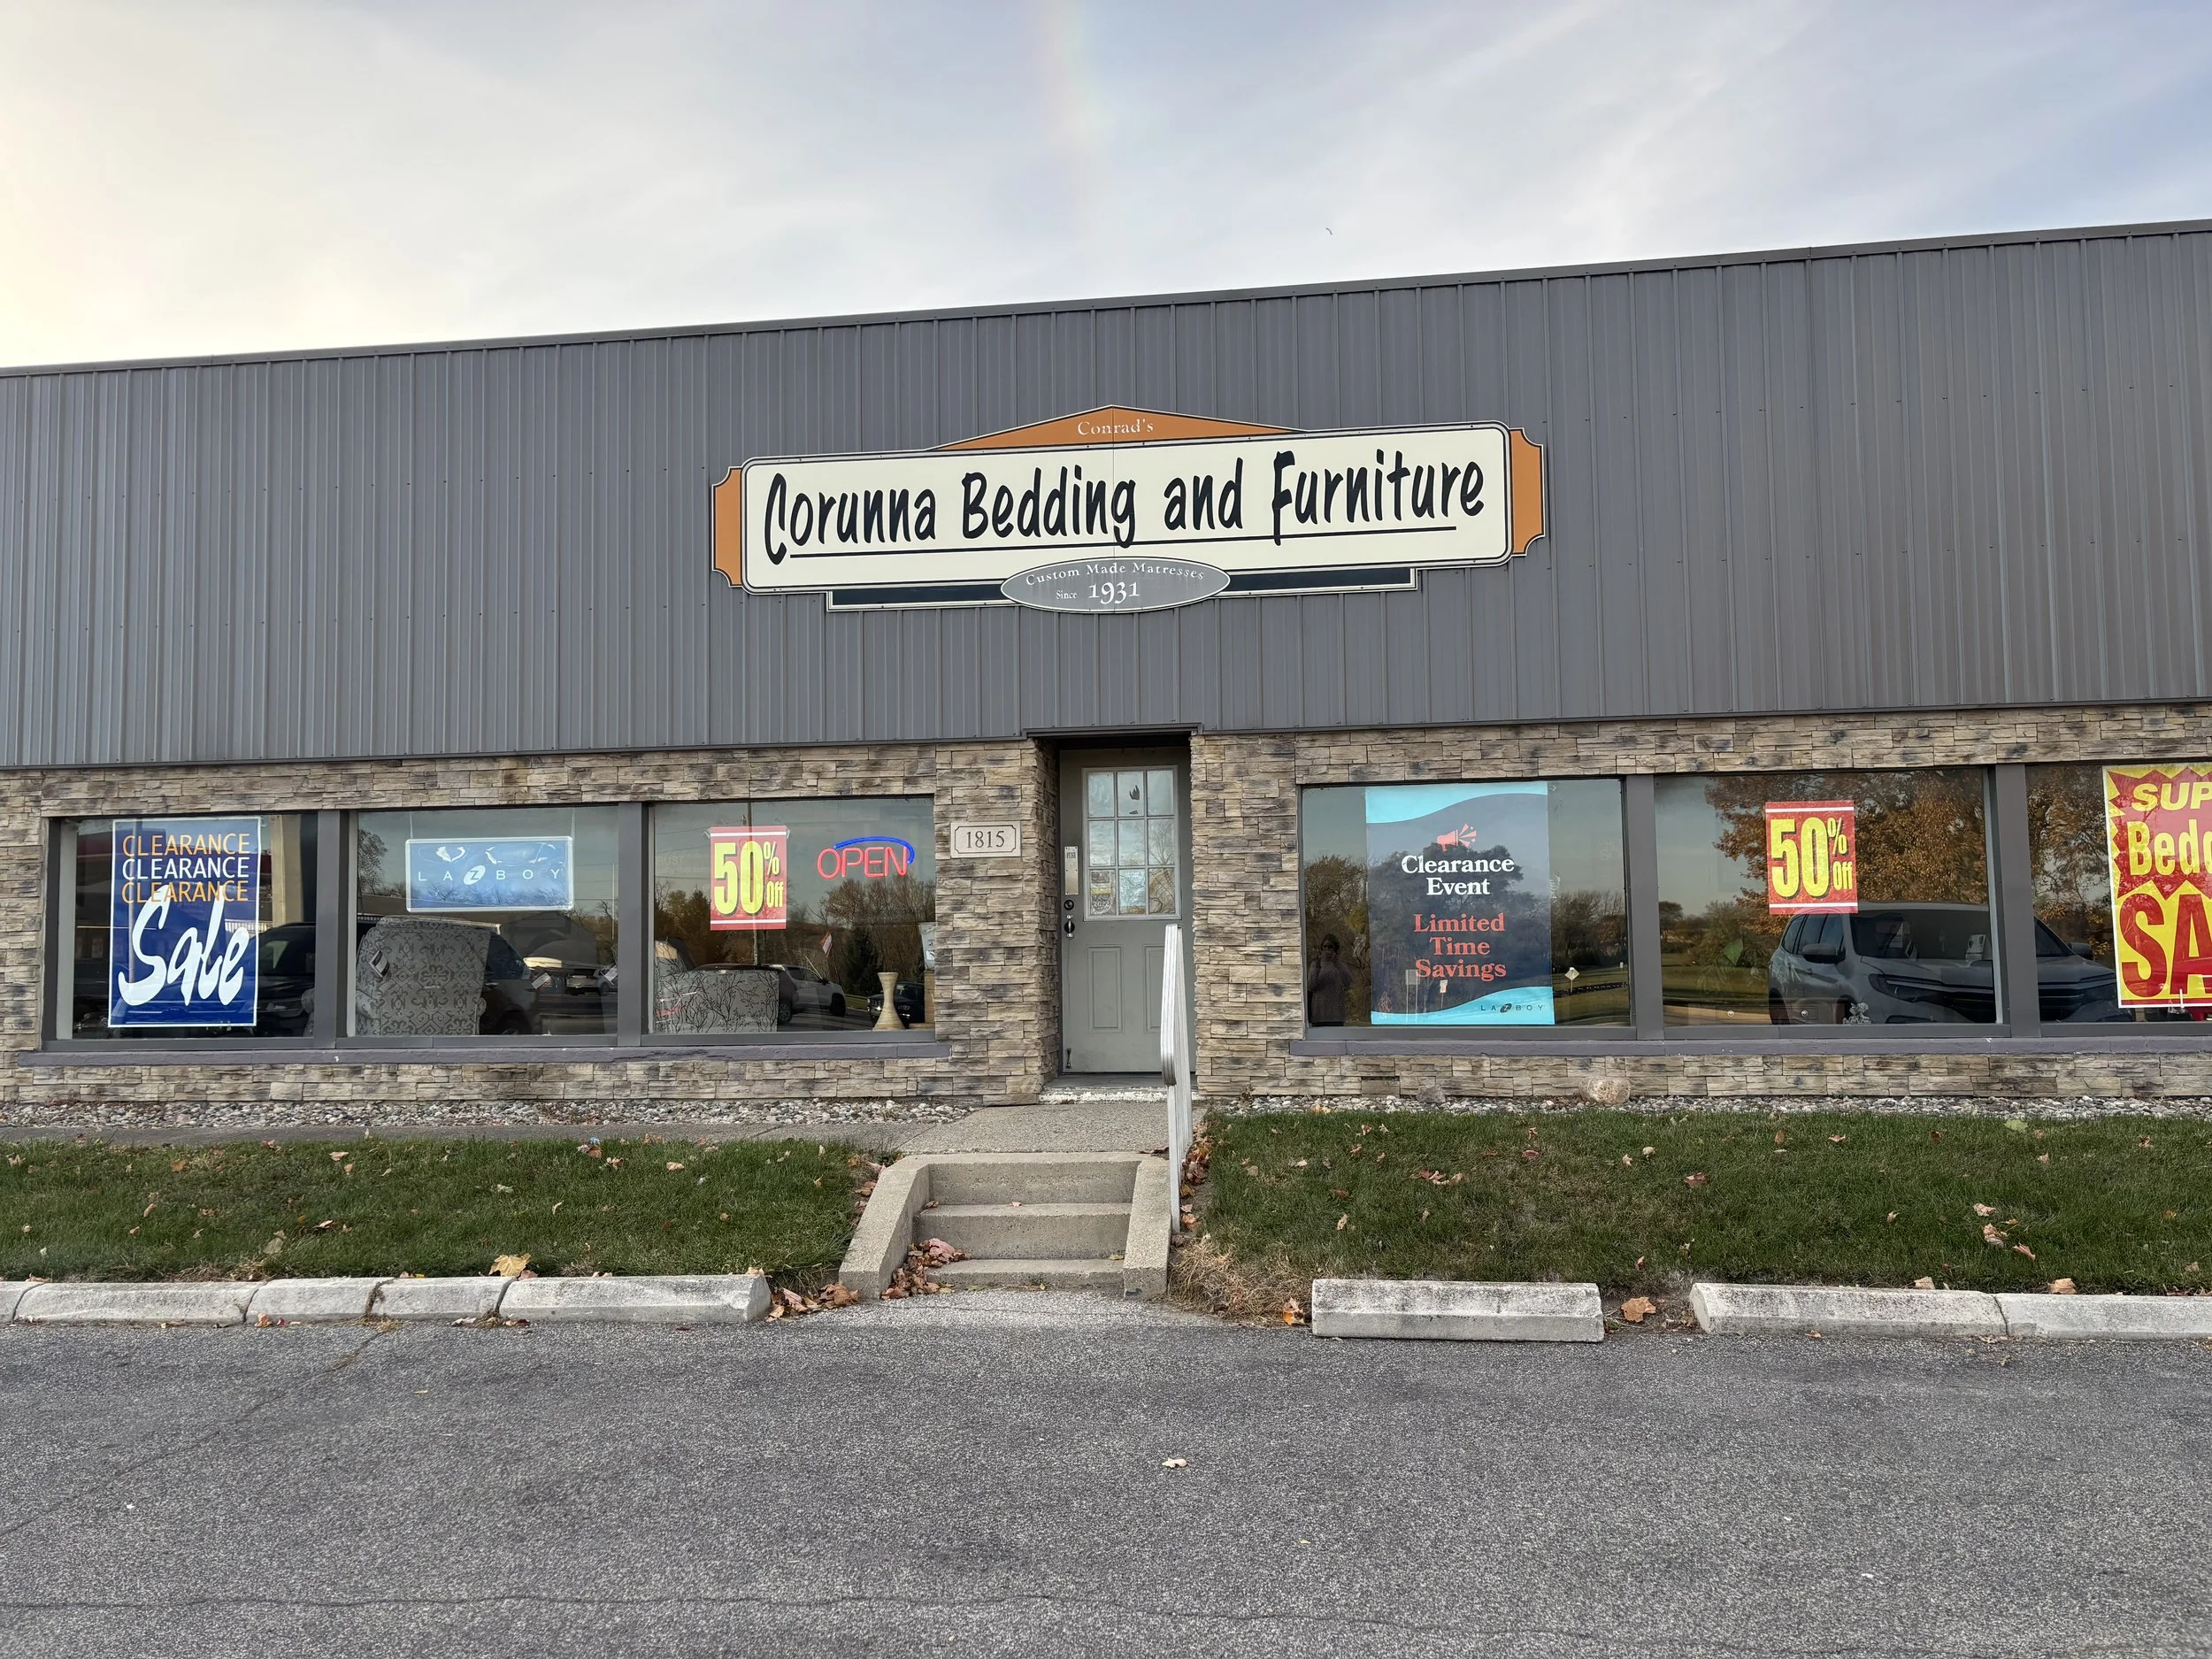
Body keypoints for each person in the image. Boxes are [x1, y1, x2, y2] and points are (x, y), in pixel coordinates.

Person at [1307, 933, 1351, 1026]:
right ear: (1322, 948)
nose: (1327, 949)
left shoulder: (1341, 966)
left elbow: (1347, 984)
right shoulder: (1315, 965)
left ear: (1335, 949)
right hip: (1319, 1014)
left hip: (1336, 1015)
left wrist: (1336, 963)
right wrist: (1318, 964)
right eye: (1325, 946)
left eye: (1330, 947)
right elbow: (1311, 986)